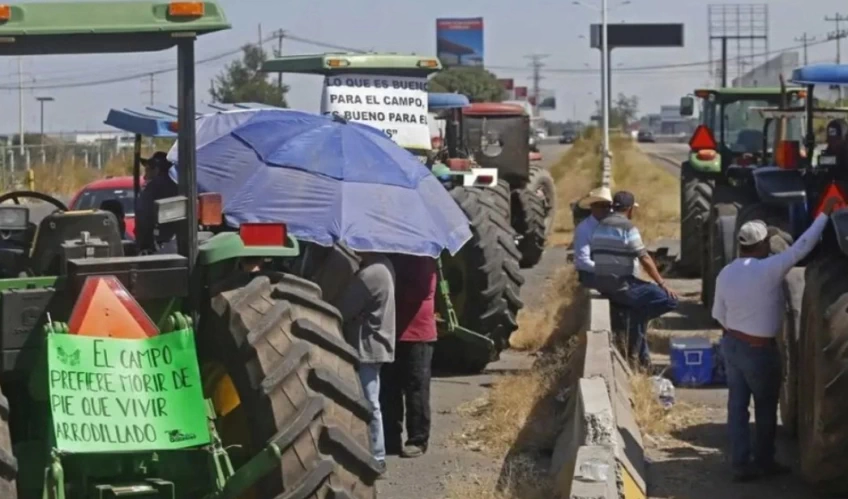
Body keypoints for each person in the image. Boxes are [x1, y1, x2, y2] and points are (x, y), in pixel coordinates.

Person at [712, 197, 838, 482]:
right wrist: (825, 214)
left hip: (732, 346)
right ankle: (764, 460)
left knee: (737, 407)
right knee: (766, 408)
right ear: (761, 246)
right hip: (759, 351)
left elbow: (718, 314)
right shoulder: (768, 269)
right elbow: (802, 247)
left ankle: (740, 463)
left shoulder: (726, 273)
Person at [590, 191, 678, 368]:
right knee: (669, 300)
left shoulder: (599, 226)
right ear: (630, 209)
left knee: (637, 310)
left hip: (602, 284)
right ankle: (636, 322)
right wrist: (662, 283)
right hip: (622, 285)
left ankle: (639, 351)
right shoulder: (627, 228)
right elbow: (644, 257)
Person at [333, 253, 396, 476]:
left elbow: (342, 308)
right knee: (371, 399)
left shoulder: (370, 274)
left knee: (369, 402)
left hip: (367, 346)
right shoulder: (386, 266)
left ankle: (377, 456)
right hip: (378, 343)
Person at [381, 254, 437, 459]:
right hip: (392, 330)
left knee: (416, 388)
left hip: (417, 334)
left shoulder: (423, 259)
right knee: (389, 389)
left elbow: (420, 292)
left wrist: (389, 285)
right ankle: (390, 438)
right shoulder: (394, 258)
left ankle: (418, 439)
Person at [135, 151, 178, 253]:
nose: (145, 176)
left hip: (158, 245)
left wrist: (143, 246)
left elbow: (144, 218)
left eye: (148, 170)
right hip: (176, 241)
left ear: (157, 169)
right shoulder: (178, 184)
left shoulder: (153, 187)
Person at [573, 186, 613, 287]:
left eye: (608, 206)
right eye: (602, 206)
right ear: (593, 207)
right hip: (590, 274)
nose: (606, 209)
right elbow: (582, 262)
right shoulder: (584, 229)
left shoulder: (612, 226)